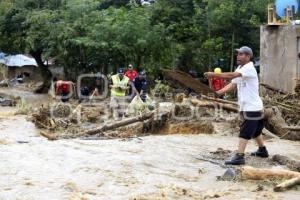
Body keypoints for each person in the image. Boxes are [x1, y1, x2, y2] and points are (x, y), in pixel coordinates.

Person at [204, 46, 268, 165]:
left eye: (241, 54)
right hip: (248, 106)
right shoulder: (240, 68)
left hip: (252, 107)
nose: (238, 56)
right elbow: (232, 85)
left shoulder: (249, 68)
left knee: (245, 131)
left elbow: (230, 76)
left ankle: (239, 156)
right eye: (238, 54)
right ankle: (262, 150)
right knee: (256, 131)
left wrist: (214, 74)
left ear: (248, 57)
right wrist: (218, 93)